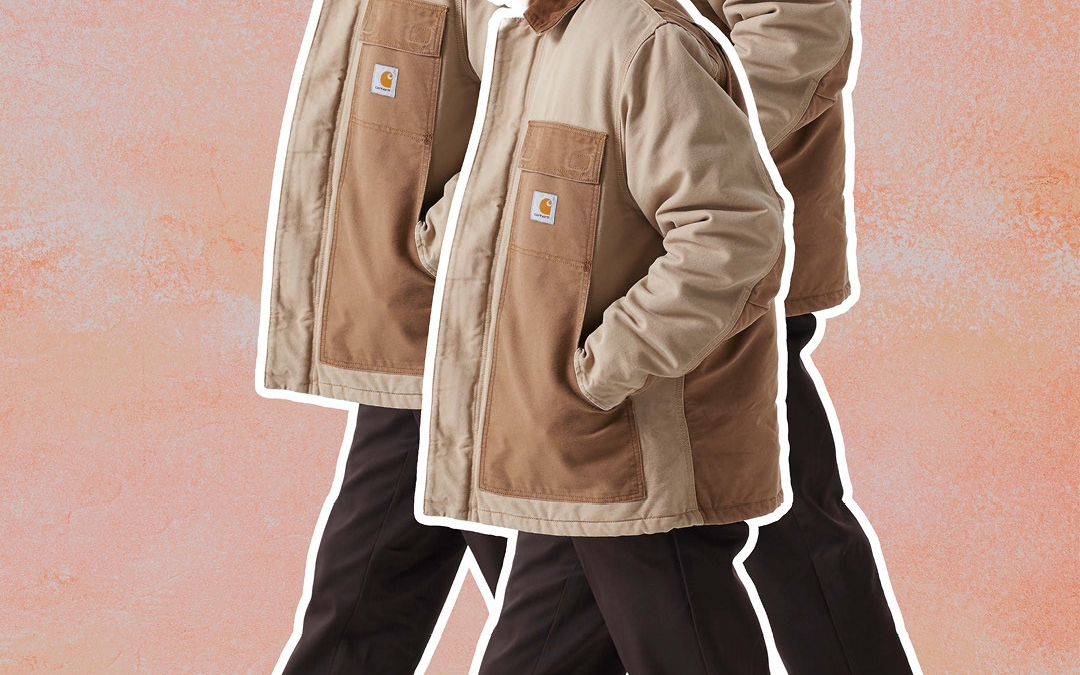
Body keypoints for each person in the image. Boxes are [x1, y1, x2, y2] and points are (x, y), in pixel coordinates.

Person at [473, 0, 919, 673]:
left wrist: (669, 143)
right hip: (614, 256)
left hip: (692, 268)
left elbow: (796, 32)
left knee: (751, 530)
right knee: (594, 536)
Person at [414, 0, 787, 671]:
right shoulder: (535, 40)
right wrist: (437, 240)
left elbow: (732, 234)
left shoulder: (646, 43)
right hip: (573, 459)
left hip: (642, 468)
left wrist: (599, 371)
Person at [257, 0, 510, 672]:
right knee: (362, 593)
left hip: (476, 333)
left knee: (566, 599)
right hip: (423, 338)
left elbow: (548, 113)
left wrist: (442, 246)